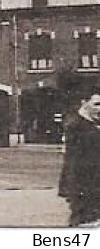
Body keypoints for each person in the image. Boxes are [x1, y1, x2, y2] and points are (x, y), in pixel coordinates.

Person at [60, 92, 100, 226]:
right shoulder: (76, 126)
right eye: (96, 104)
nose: (99, 109)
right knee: (85, 221)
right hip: (85, 185)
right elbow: (74, 161)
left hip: (91, 184)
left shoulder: (91, 124)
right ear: (84, 103)